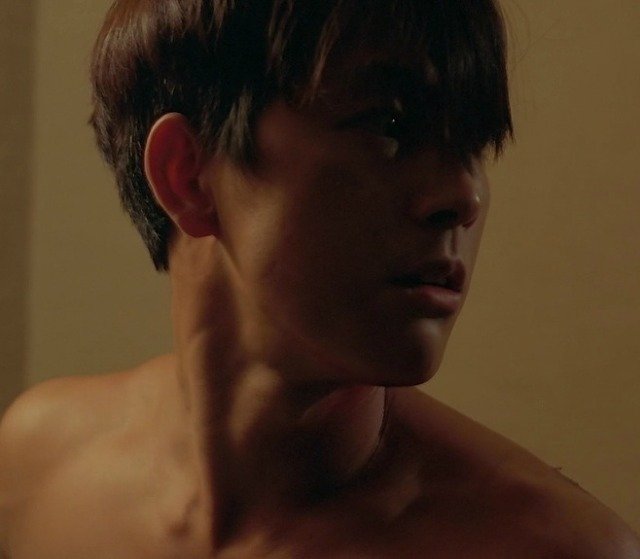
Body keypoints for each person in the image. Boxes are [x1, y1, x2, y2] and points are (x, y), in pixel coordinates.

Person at [1, 0, 639, 557]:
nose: (463, 196)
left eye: (477, 143)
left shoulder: (548, 548)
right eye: (389, 125)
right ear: (187, 175)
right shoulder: (35, 472)